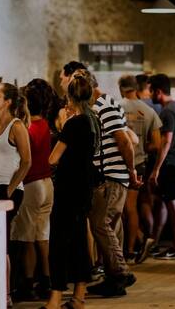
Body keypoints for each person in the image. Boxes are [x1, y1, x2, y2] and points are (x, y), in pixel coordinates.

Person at [72, 69, 138, 297]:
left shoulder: (105, 106)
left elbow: (125, 141)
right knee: (110, 226)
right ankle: (113, 279)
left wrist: (131, 171)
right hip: (108, 175)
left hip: (111, 176)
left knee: (100, 223)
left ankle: (120, 272)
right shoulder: (100, 106)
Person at [44, 74, 99, 309]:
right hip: (84, 188)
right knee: (78, 242)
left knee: (58, 243)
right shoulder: (92, 120)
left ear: (69, 97)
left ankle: (55, 299)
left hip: (68, 189)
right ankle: (78, 297)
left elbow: (53, 157)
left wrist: (61, 127)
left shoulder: (75, 123)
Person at [0, 82, 32, 307]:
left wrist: (11, 189)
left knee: (0, 241)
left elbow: (26, 161)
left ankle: (5, 295)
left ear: (9, 101)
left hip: (9, 189)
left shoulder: (17, 126)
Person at [12, 79, 56, 301]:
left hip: (31, 184)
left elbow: (22, 161)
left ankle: (27, 283)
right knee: (43, 236)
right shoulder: (46, 124)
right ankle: (47, 281)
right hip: (48, 184)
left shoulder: (25, 128)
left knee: (27, 237)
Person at [117, 74, 162, 264]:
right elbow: (157, 144)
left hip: (118, 163)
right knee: (131, 208)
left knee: (121, 209)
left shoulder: (116, 107)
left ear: (121, 88)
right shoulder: (148, 111)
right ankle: (132, 248)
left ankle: (126, 250)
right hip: (139, 164)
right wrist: (141, 146)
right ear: (136, 88)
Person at [145, 74, 175, 260]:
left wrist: (156, 169)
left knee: (172, 204)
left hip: (170, 163)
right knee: (164, 203)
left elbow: (166, 142)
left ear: (158, 92)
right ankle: (154, 242)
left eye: (151, 91)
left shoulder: (167, 111)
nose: (149, 94)